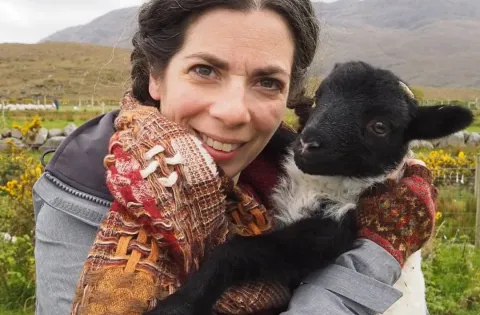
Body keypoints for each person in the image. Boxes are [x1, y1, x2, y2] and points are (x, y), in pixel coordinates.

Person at [32, 0, 436, 314]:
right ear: (157, 74)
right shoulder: (89, 198)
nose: (233, 112)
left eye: (267, 82)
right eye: (205, 70)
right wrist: (378, 252)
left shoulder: (292, 178)